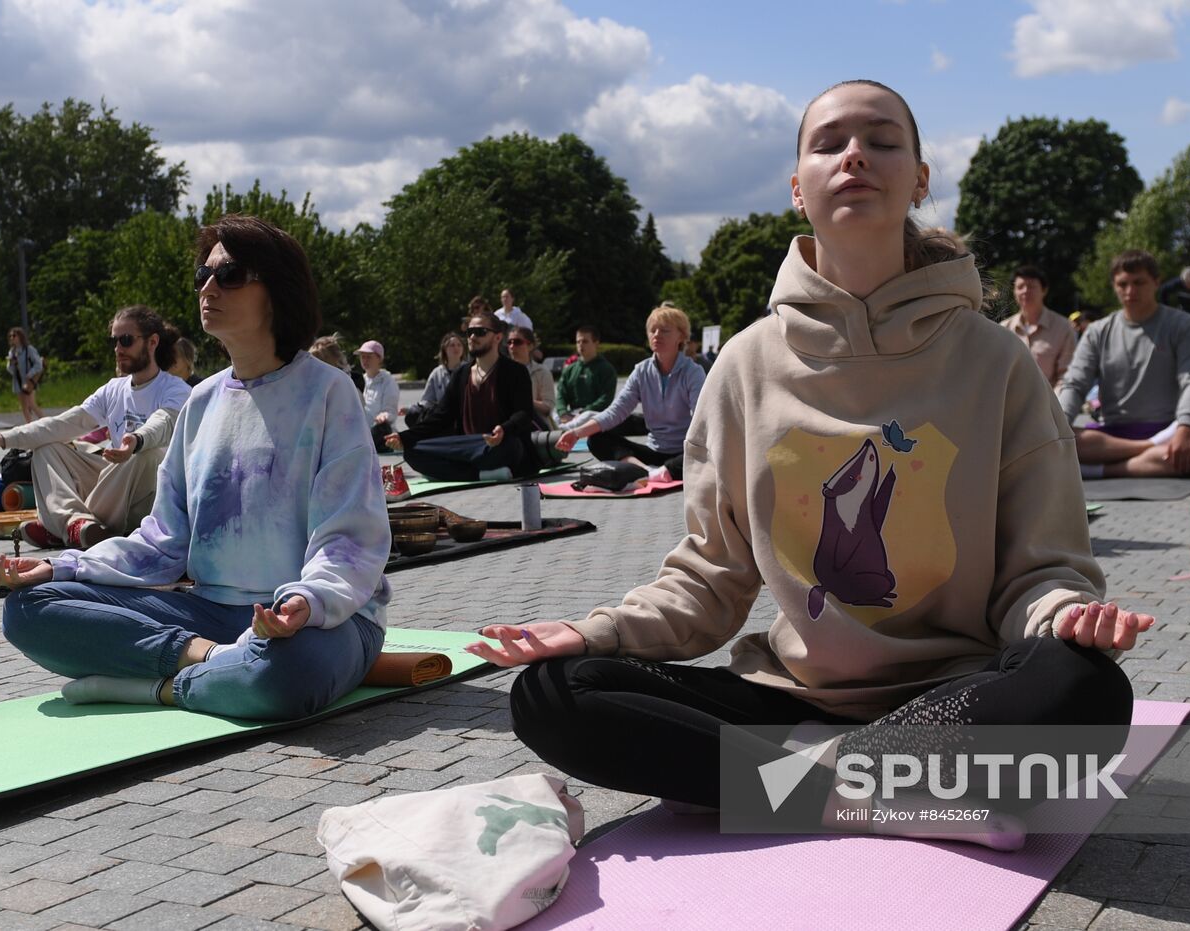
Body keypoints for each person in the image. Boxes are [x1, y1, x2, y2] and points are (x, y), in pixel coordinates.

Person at [469, 80, 1150, 848]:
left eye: (882, 140)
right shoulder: (744, 366)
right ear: (799, 188)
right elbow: (708, 580)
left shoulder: (994, 360)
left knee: (1085, 692)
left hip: (958, 698)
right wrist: (592, 632)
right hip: (792, 702)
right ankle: (865, 794)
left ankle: (776, 786)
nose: (855, 154)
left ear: (920, 178)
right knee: (556, 692)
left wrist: (1064, 615)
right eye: (829, 144)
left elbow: (1041, 569)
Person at [0, 215, 389, 721]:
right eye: (204, 274)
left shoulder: (330, 393)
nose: (209, 287)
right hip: (210, 618)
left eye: (230, 275)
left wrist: (306, 602)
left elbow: (349, 541)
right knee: (29, 609)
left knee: (289, 673)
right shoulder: (200, 402)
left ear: (279, 292)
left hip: (321, 618)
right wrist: (61, 566)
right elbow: (161, 542)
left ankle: (155, 688)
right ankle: (214, 665)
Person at [0, 306, 193, 549]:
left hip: (150, 495)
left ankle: (61, 527)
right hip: (113, 484)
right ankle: (77, 526)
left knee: (148, 455)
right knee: (46, 450)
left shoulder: (176, 389)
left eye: (126, 340)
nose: (118, 349)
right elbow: (64, 423)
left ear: (152, 342)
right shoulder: (113, 389)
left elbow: (164, 421)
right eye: (115, 341)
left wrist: (137, 440)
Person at [1057, 250, 1190, 478]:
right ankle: (1145, 453)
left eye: (1139, 282)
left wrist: (1186, 426)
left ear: (1156, 282)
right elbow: (1075, 383)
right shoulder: (1097, 332)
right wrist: (1060, 425)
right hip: (1111, 436)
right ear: (1114, 285)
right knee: (1058, 442)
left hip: (1168, 429)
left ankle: (1101, 471)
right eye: (1123, 284)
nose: (1130, 291)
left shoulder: (1184, 325)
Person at [555, 305, 706, 482]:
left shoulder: (693, 372)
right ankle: (645, 471)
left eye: (664, 330)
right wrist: (576, 433)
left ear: (681, 336)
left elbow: (701, 420)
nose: (656, 334)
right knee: (596, 440)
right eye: (652, 330)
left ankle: (666, 471)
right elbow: (615, 412)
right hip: (653, 452)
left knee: (705, 451)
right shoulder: (641, 371)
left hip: (684, 452)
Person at [384, 311, 537, 482]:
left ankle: (458, 471)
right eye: (469, 332)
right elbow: (441, 416)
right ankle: (480, 475)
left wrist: (505, 429)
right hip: (467, 446)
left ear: (497, 337)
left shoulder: (515, 371)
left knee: (510, 448)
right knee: (413, 451)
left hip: (500, 445)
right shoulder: (461, 374)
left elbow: (524, 413)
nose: (472, 337)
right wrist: (404, 437)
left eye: (480, 332)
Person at [1000, 264, 1076, 388]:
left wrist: (1054, 406)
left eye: (1031, 286)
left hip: (1049, 403)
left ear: (1044, 290)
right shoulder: (1003, 329)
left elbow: (1066, 375)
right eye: (1020, 287)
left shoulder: (1063, 328)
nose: (1025, 291)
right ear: (1014, 292)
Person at [555, 325, 618, 430]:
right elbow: (561, 394)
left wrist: (583, 412)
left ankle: (562, 430)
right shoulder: (569, 369)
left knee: (587, 415)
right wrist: (563, 412)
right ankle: (563, 428)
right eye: (578, 342)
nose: (580, 345)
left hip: (593, 415)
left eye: (585, 341)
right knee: (553, 415)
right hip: (572, 415)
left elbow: (606, 399)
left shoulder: (607, 369)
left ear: (596, 343)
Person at [401, 331, 465, 427]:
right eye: (452, 345)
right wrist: (410, 409)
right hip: (442, 417)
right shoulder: (437, 373)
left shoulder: (469, 369)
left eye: (459, 345)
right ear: (444, 349)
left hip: (463, 416)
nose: (456, 348)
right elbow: (427, 400)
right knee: (413, 415)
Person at [355, 340, 400, 452]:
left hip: (379, 429)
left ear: (379, 358)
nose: (364, 360)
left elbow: (391, 411)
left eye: (369, 357)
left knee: (382, 429)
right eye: (362, 357)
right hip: (361, 430)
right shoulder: (360, 380)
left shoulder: (388, 381)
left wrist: (384, 415)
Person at [506, 326, 555, 428]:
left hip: (535, 427)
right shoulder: (501, 371)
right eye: (509, 342)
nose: (512, 346)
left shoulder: (542, 372)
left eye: (517, 342)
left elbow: (548, 407)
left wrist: (524, 400)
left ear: (530, 346)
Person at [6, 327, 45, 423]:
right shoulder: (12, 352)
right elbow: (10, 370)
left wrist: (29, 374)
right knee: (24, 406)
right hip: (18, 381)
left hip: (29, 381)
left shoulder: (29, 349)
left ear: (20, 336)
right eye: (10, 336)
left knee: (31, 404)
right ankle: (29, 426)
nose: (11, 338)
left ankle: (48, 423)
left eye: (14, 335)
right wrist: (11, 364)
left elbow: (38, 364)